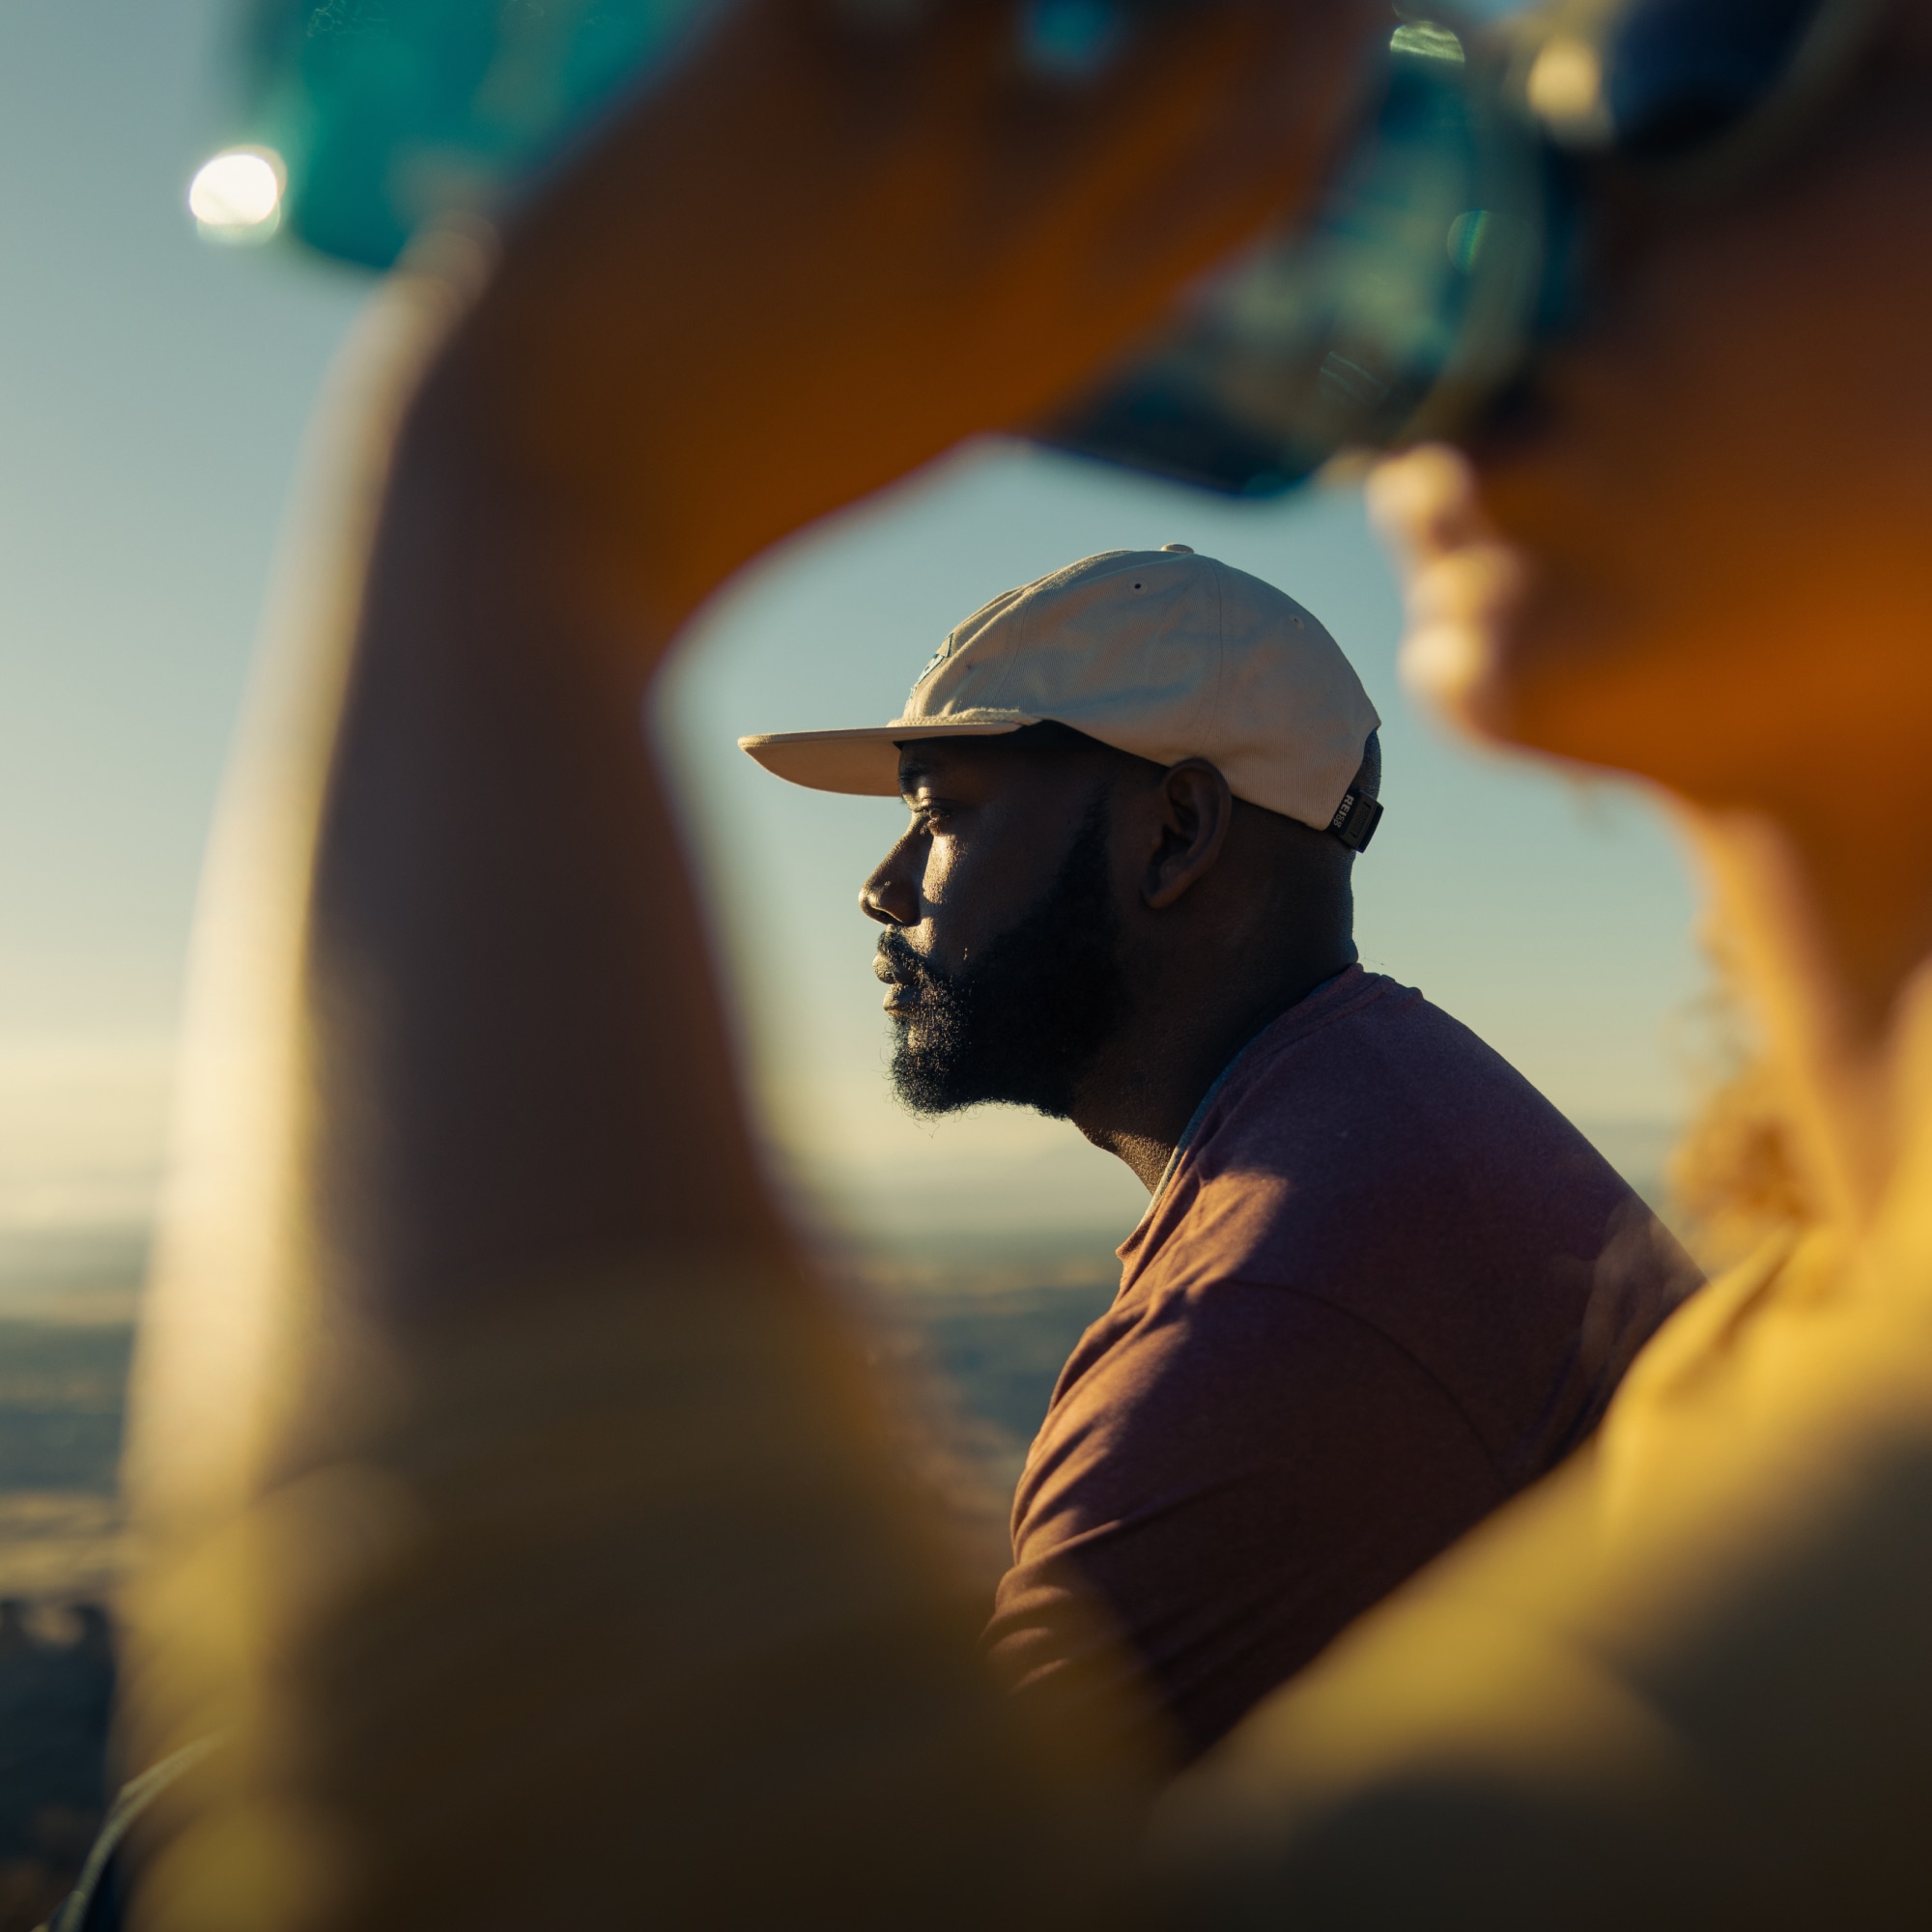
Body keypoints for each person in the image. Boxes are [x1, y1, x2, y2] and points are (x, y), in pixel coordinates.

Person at [92, 0, 1932, 1923]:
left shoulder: (1306, 1294)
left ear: (1174, 832)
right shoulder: (1692, 1305)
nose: (884, 888)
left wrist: (522, 500)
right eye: (1511, 55)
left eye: (1692, 49)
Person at [742, 544, 1694, 1760]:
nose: (882, 887)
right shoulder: (1377, 1104)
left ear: (1175, 829)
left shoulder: (1273, 1311)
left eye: (937, 814)